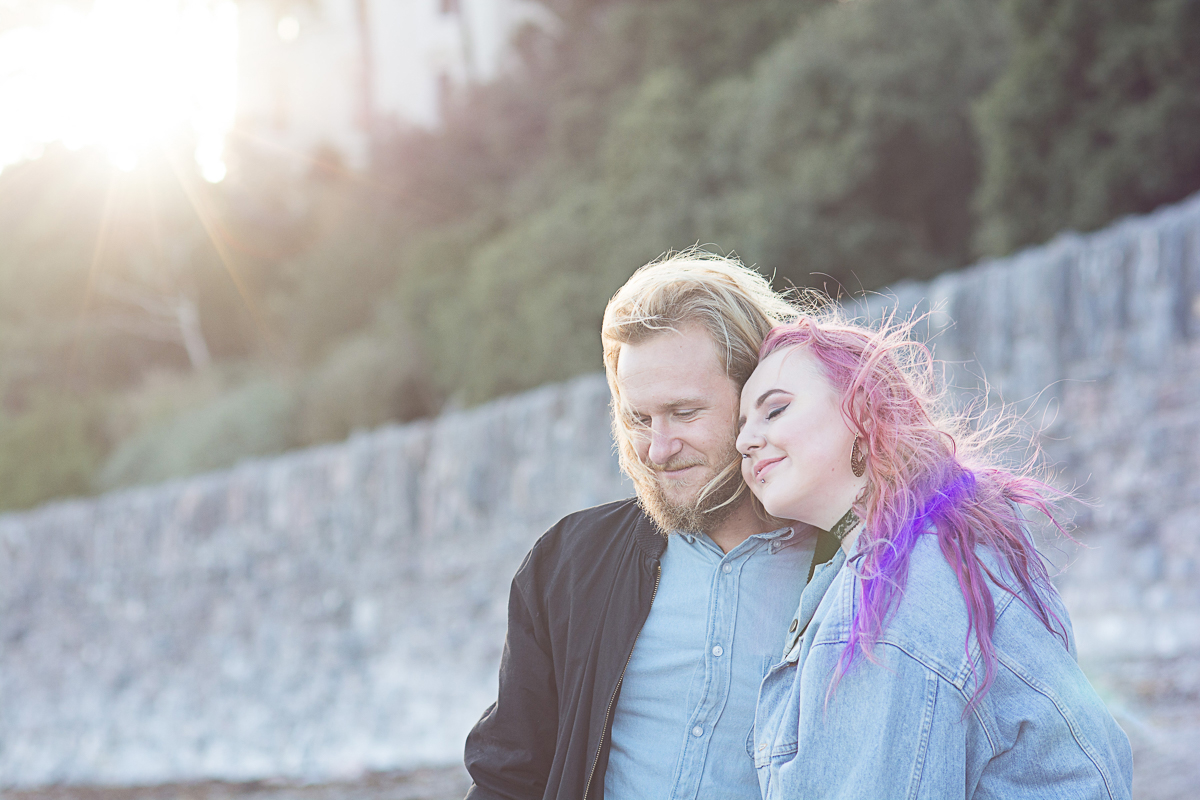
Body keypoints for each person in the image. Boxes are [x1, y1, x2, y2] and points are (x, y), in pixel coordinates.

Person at [463, 250, 822, 800]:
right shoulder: (568, 563)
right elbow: (508, 778)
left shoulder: (853, 564)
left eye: (684, 413)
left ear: (757, 398)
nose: (658, 448)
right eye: (638, 418)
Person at [735, 309, 1134, 799]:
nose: (744, 441)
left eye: (774, 410)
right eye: (742, 424)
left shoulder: (895, 597)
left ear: (859, 409)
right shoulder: (942, 543)